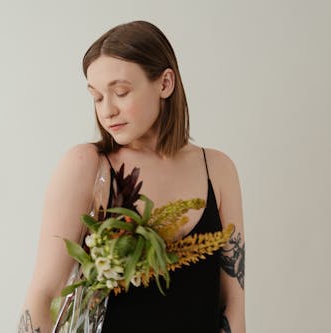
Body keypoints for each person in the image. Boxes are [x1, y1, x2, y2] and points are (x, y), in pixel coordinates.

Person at [18, 20, 245, 333]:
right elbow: (42, 297)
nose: (107, 110)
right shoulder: (87, 165)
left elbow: (232, 305)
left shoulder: (217, 169)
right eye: (97, 97)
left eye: (120, 92)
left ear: (165, 84)